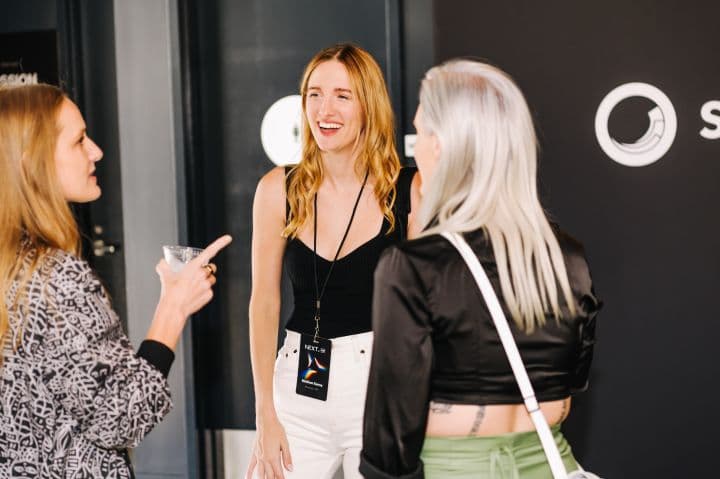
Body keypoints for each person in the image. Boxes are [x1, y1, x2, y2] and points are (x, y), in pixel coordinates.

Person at [360, 59, 601, 478]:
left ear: (444, 146)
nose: (415, 148)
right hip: (548, 464)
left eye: (420, 133)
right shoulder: (569, 257)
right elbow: (570, 386)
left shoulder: (414, 267)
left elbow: (391, 439)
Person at [0, 83, 232, 477]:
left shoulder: (13, 270)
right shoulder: (56, 278)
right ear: (30, 163)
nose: (96, 152)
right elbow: (119, 418)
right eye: (79, 141)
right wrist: (173, 309)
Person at [247, 43, 419, 479]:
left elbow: (427, 311)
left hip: (380, 385)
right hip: (296, 388)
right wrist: (265, 411)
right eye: (315, 94)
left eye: (343, 95)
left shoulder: (409, 189)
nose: (326, 109)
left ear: (369, 105)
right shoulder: (277, 189)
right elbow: (263, 303)